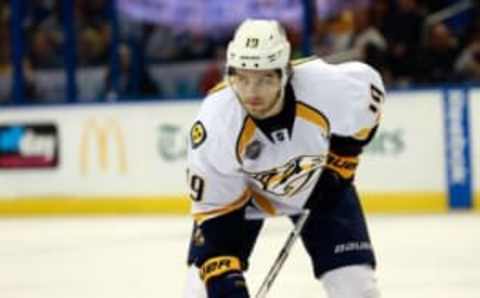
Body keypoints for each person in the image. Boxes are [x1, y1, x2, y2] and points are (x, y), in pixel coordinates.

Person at [184, 19, 385, 298]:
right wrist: (225, 280)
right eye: (241, 78)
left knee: (357, 288)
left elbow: (370, 99)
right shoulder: (216, 123)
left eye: (265, 78)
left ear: (285, 72)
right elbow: (215, 213)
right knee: (200, 290)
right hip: (244, 199)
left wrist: (341, 160)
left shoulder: (326, 86)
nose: (252, 93)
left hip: (319, 183)